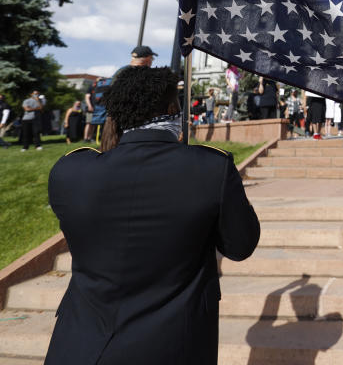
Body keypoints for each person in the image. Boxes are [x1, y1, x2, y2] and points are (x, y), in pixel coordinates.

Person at [45, 66, 260, 365]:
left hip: (79, 347)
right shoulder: (212, 168)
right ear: (173, 109)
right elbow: (240, 246)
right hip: (173, 348)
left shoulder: (69, 171)